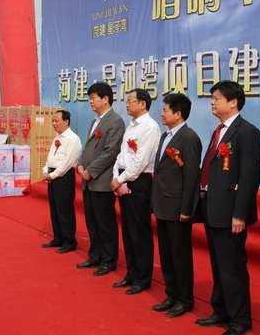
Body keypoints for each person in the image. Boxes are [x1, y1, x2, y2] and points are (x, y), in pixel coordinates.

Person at [195, 80, 260, 335]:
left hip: (230, 212)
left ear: (233, 102)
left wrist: (240, 213)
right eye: (212, 98)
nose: (212, 103)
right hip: (212, 207)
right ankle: (221, 310)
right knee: (218, 264)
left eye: (217, 98)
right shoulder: (218, 131)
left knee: (232, 267)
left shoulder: (247, 132)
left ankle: (240, 319)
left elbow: (249, 176)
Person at [151, 93, 202, 318]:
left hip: (177, 208)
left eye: (165, 110)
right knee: (166, 255)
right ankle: (171, 294)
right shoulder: (165, 136)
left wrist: (186, 209)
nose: (162, 114)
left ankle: (185, 299)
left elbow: (191, 177)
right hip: (162, 205)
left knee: (180, 256)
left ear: (178, 113)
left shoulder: (189, 138)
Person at [110, 89, 160, 294]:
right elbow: (121, 155)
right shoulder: (131, 126)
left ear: (142, 104)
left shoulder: (150, 127)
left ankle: (142, 278)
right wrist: (116, 176)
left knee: (139, 231)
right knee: (128, 231)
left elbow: (140, 162)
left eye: (131, 101)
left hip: (139, 182)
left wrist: (120, 180)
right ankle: (131, 273)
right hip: (124, 177)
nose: (127, 104)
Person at [77, 82, 125, 276]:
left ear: (105, 99)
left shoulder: (115, 122)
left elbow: (110, 152)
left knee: (105, 224)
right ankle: (95, 255)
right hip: (88, 181)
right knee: (92, 222)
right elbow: (87, 148)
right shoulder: (94, 121)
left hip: (102, 181)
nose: (91, 101)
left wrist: (90, 171)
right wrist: (81, 164)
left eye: (93, 98)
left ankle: (108, 260)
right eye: (89, 98)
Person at [41, 109, 82, 254]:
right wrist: (45, 170)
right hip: (53, 176)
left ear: (66, 121)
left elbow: (67, 163)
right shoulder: (57, 137)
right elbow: (50, 157)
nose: (54, 123)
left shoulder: (73, 139)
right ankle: (58, 238)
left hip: (63, 177)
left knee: (65, 210)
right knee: (55, 209)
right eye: (53, 121)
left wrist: (53, 175)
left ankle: (69, 241)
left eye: (56, 121)